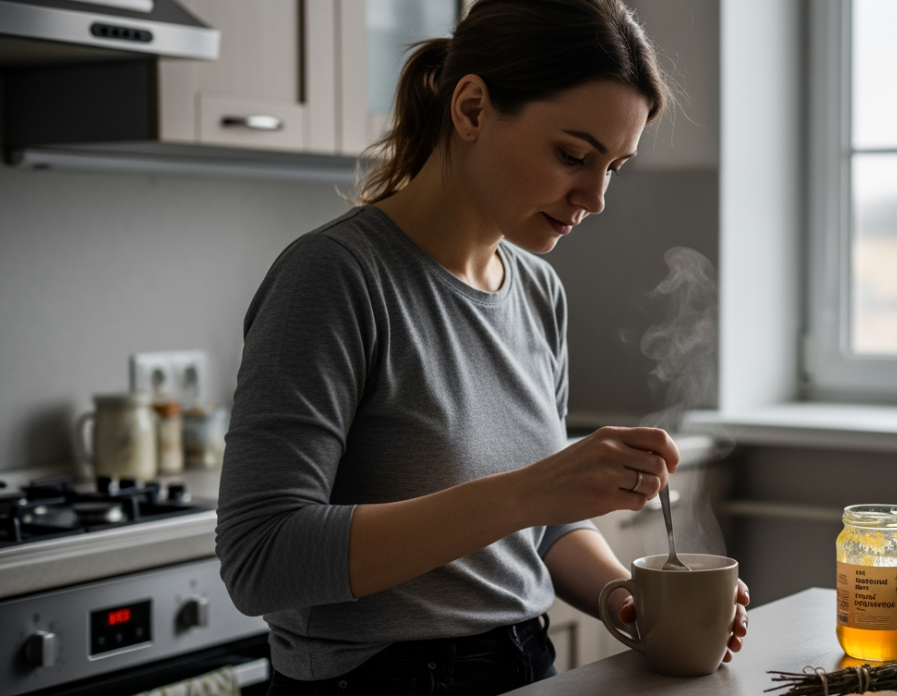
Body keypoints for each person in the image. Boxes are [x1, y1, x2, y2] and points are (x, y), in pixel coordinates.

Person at [213, 1, 749, 693]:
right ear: (470, 109)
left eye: (614, 166)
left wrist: (624, 596)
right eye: (574, 156)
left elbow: (542, 528)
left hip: (526, 662)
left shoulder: (537, 291)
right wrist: (532, 492)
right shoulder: (335, 277)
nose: (596, 196)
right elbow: (262, 560)